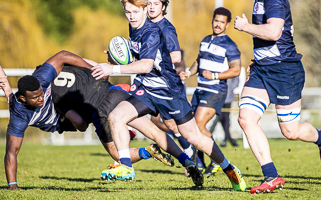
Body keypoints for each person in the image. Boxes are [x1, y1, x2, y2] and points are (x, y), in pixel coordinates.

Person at [91, 0, 246, 191]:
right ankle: (126, 167)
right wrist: (120, 57)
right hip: (147, 90)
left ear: (144, 9)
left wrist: (112, 68)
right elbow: (141, 58)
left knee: (194, 136)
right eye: (127, 11)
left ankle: (229, 168)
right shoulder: (135, 26)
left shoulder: (153, 31)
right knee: (116, 116)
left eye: (134, 11)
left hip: (168, 92)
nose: (130, 16)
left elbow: (147, 65)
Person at [1, 51, 174, 190]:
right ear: (23, 99)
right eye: (35, 98)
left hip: (71, 102)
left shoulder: (41, 78)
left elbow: (62, 56)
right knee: (84, 124)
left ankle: (146, 149)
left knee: (116, 152)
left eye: (41, 93)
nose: (41, 99)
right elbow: (11, 152)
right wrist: (13, 185)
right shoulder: (20, 116)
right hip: (60, 119)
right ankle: (139, 140)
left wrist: (91, 71)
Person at [234, 0, 321, 194]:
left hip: (284, 71)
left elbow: (274, 32)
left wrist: (245, 27)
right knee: (246, 119)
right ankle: (271, 176)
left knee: (291, 132)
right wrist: (259, 59)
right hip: (262, 71)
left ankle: (320, 138)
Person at [180, 7, 242, 178]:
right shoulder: (205, 40)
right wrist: (188, 72)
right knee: (192, 127)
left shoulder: (229, 45)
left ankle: (214, 160)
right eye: (216, 21)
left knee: (198, 125)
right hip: (200, 89)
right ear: (213, 20)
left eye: (222, 22)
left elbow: (236, 69)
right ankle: (204, 161)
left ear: (227, 25)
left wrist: (215, 75)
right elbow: (198, 62)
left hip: (215, 90)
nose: (218, 24)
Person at [147, 0, 195, 161]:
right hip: (150, 82)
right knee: (164, 121)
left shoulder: (166, 29)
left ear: (163, 7)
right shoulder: (142, 25)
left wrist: (149, 60)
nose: (151, 6)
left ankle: (192, 152)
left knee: (183, 127)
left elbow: (176, 56)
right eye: (148, 3)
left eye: (155, 3)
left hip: (167, 85)